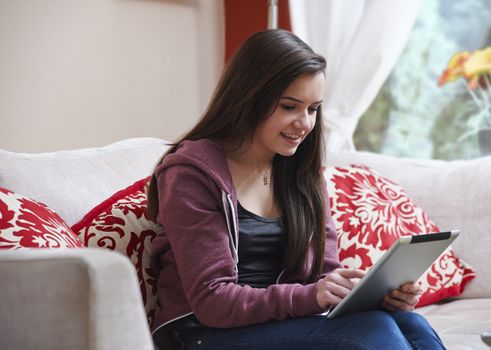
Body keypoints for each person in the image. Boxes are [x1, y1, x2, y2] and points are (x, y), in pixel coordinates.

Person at [147, 29, 445, 350]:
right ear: (249, 97)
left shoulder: (300, 173)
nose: (304, 123)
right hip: (207, 333)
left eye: (313, 109)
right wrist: (311, 296)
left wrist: (372, 295)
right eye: (290, 106)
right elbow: (212, 300)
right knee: (369, 334)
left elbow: (323, 274)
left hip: (283, 324)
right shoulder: (191, 174)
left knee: (410, 323)